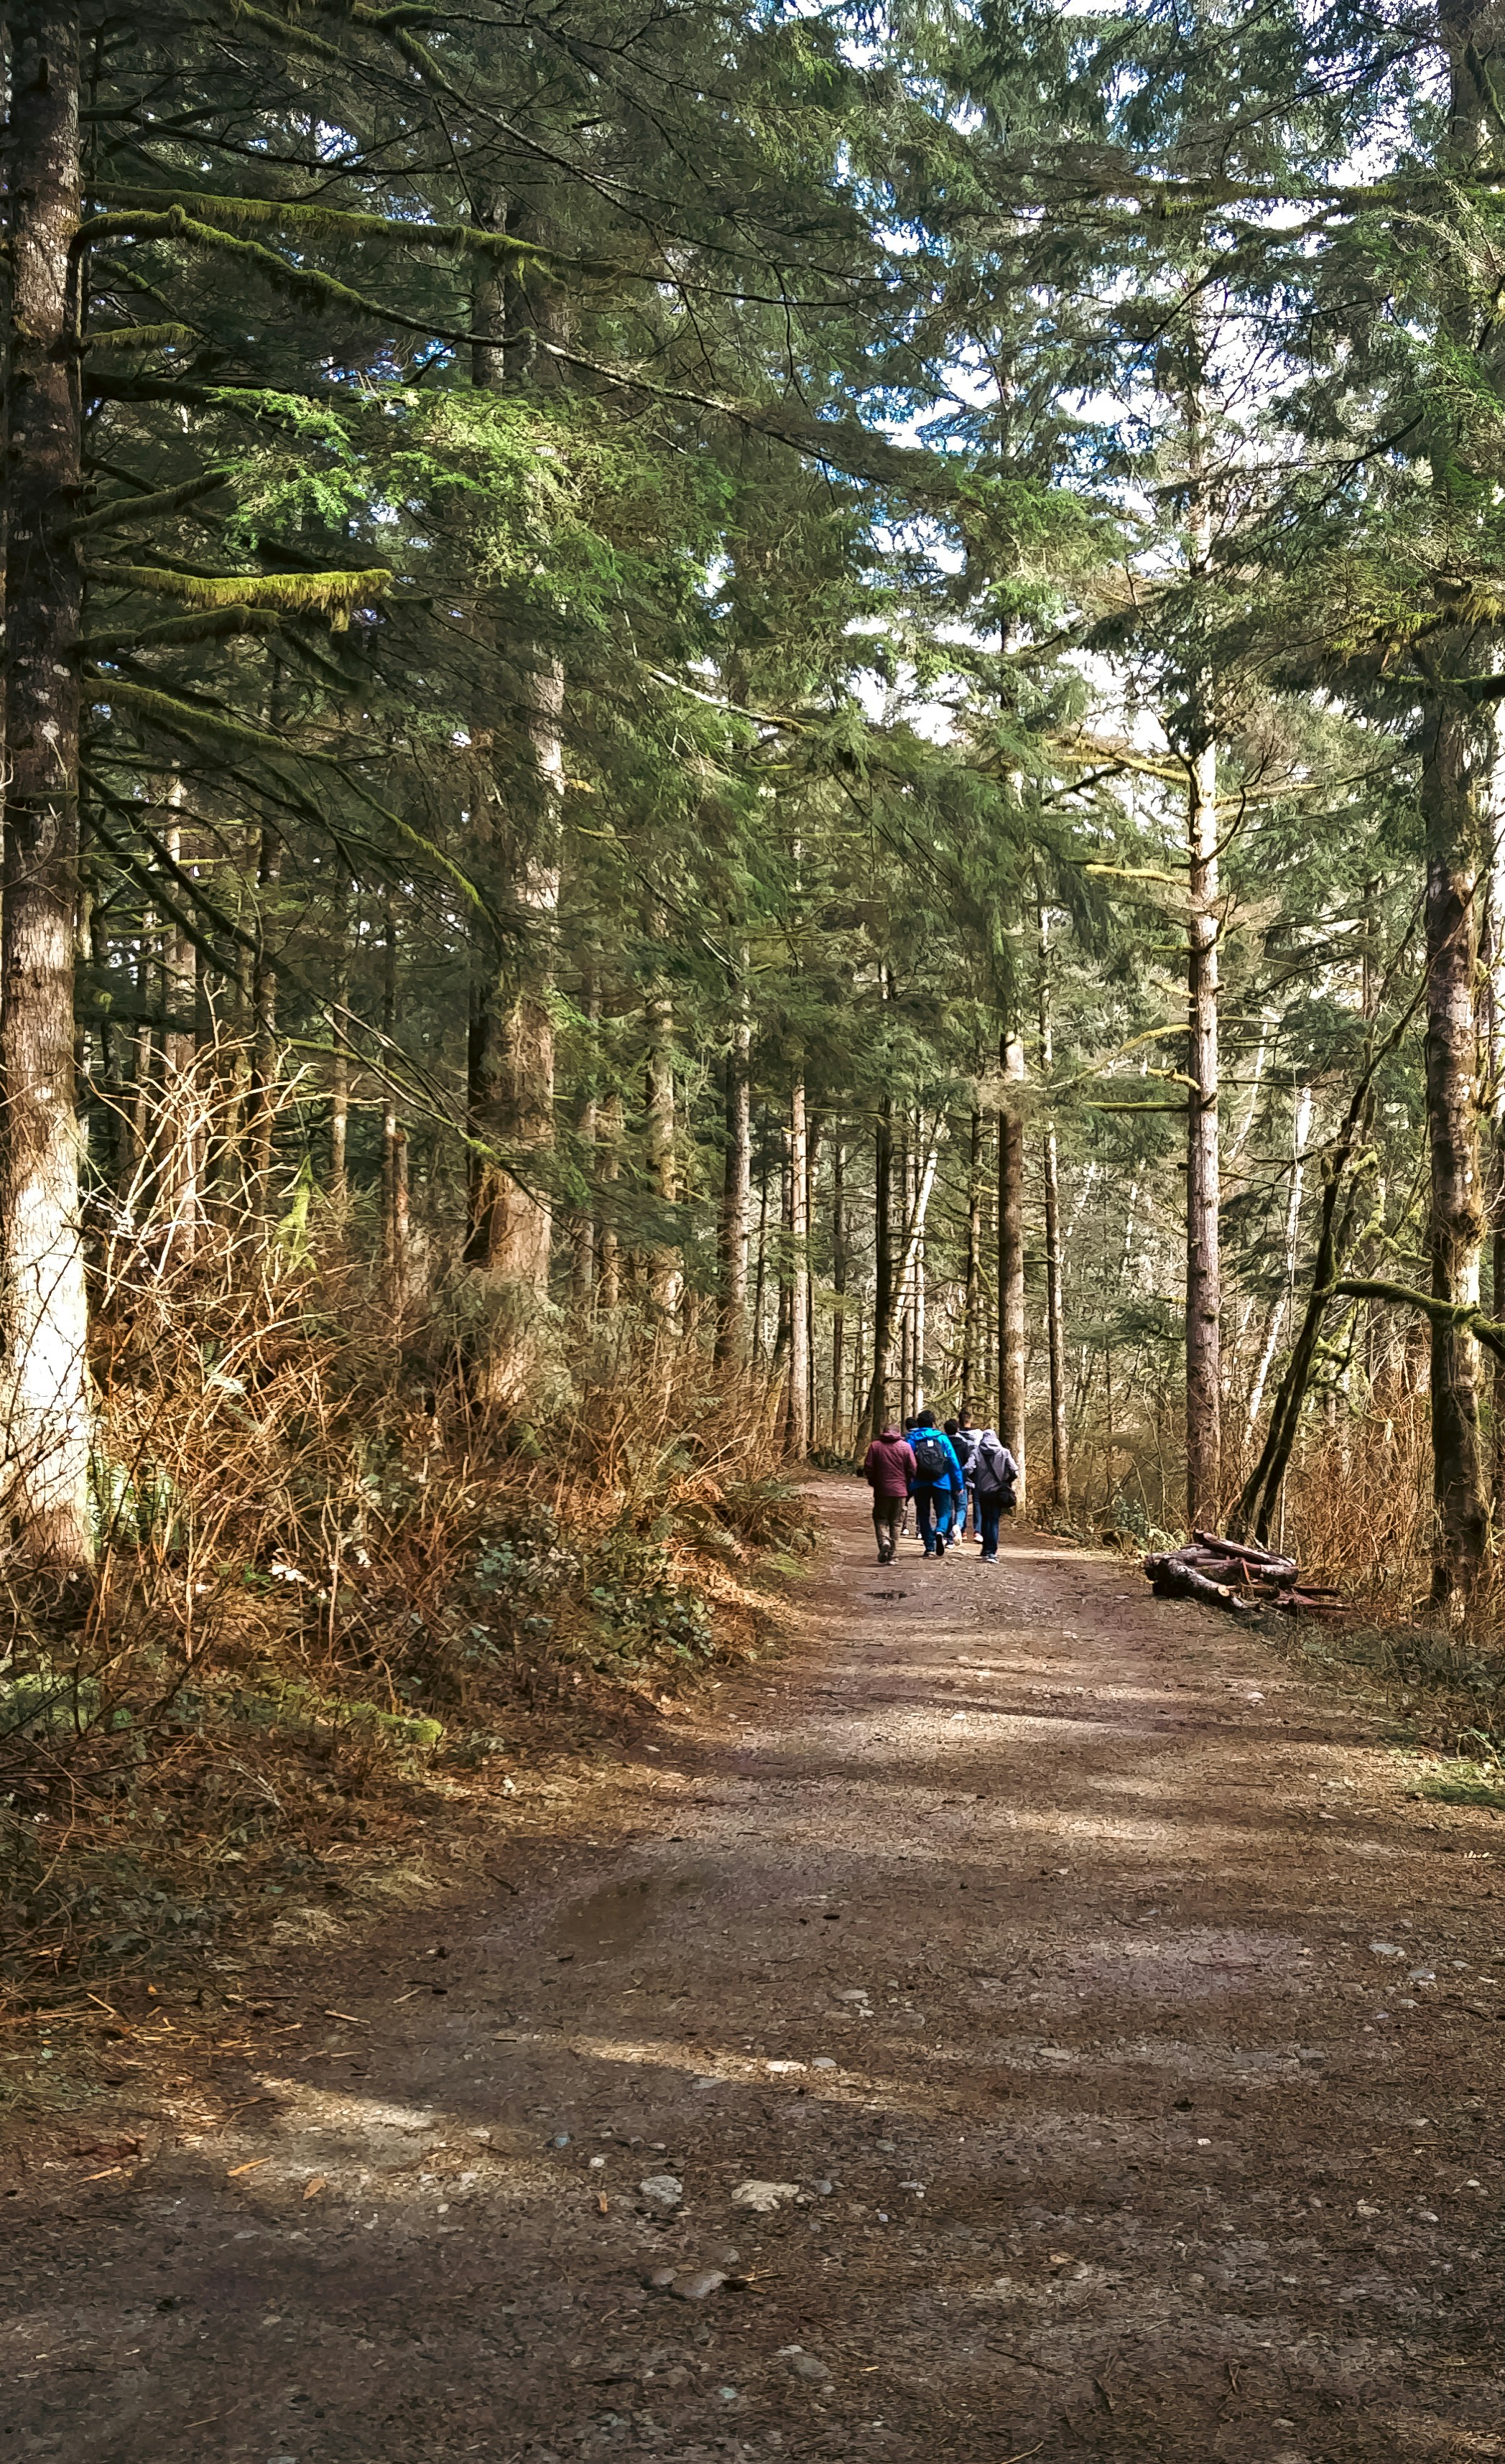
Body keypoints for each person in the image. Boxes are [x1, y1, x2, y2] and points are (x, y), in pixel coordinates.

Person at [907, 1409, 965, 1557]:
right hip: (942, 1481)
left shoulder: (912, 1439)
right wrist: (958, 1485)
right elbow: (953, 1462)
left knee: (923, 1513)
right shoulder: (942, 1438)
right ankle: (940, 1531)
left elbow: (907, 1462)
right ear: (933, 1423)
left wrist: (908, 1482)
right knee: (944, 1512)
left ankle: (929, 1547)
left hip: (920, 1482)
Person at [862, 1423, 917, 1563]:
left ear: (884, 1432)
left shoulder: (875, 1446)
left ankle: (884, 1541)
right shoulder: (905, 1447)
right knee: (897, 1522)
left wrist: (874, 1482)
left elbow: (868, 1467)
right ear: (898, 1432)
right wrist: (908, 1482)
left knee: (881, 1519)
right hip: (900, 1491)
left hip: (882, 1490)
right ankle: (893, 1555)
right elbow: (913, 1467)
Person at [971, 1426, 1020, 1563]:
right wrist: (1007, 1480)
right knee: (993, 1521)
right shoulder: (1004, 1452)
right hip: (998, 1492)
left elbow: (968, 1468)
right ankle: (991, 1552)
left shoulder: (977, 1452)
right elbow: (1014, 1470)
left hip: (982, 1492)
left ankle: (986, 1549)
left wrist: (973, 1480)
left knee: (986, 1519)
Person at [953, 1412, 981, 1538]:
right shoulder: (980, 1435)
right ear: (972, 1421)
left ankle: (962, 1530)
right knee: (977, 1502)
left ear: (959, 1421)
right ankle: (978, 1531)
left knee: (961, 1503)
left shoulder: (956, 1436)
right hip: (978, 1473)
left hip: (961, 1474)